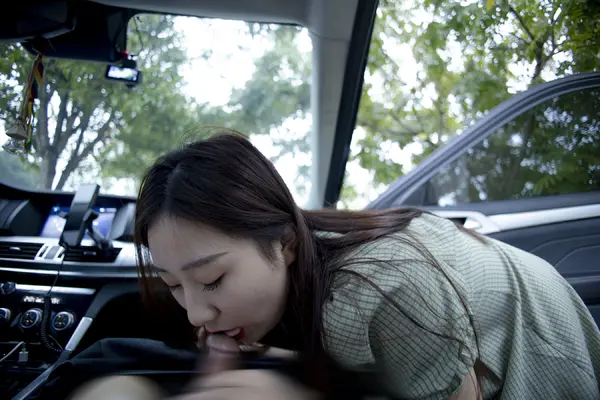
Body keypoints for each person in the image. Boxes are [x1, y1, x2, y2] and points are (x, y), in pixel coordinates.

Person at [131, 130, 600, 400]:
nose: (196, 313)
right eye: (174, 285)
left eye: (212, 280)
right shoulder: (304, 272)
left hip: (536, 336)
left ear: (286, 243)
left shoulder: (385, 289)